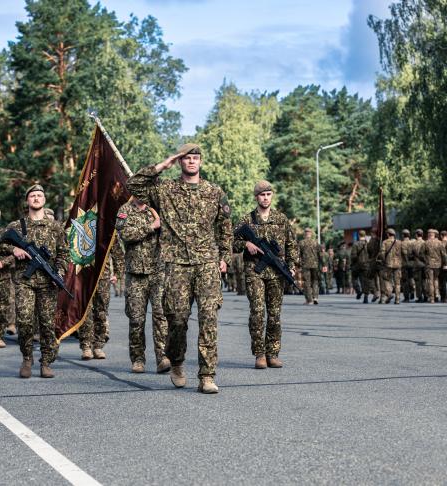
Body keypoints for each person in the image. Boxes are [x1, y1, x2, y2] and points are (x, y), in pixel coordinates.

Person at [127, 143, 232, 394]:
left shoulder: (214, 191)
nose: (192, 162)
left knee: (209, 318)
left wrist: (224, 256)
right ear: (181, 162)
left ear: (201, 162)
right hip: (175, 265)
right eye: (186, 158)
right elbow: (134, 186)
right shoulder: (165, 189)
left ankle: (207, 375)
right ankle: (176, 360)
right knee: (177, 320)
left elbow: (225, 227)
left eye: (195, 158)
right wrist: (163, 164)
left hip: (206, 263)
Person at [0, 185, 67, 378]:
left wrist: (59, 272)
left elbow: (63, 252)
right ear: (27, 200)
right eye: (33, 196)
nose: (36, 198)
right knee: (25, 321)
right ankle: (27, 358)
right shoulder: (16, 226)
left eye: (39, 195)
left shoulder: (55, 226)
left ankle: (46, 362)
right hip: (24, 281)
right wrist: (14, 250)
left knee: (46, 324)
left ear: (44, 200)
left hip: (48, 282)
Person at [234, 181, 298, 369]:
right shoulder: (247, 219)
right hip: (255, 271)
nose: (265, 198)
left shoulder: (281, 219)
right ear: (256, 197)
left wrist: (292, 266)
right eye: (262, 195)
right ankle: (259, 354)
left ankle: (273, 353)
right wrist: (246, 245)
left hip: (276, 272)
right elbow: (230, 239)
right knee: (257, 312)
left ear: (272, 196)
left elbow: (292, 245)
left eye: (268, 194)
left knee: (274, 314)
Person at [116, 198, 169, 373]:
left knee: (161, 317)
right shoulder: (125, 210)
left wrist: (163, 226)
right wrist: (151, 227)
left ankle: (163, 357)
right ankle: (138, 359)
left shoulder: (158, 208)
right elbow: (125, 234)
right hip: (135, 273)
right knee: (136, 319)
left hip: (158, 271)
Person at [78, 239, 123, 360]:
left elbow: (117, 252)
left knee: (101, 310)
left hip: (103, 275)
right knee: (85, 311)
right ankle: (86, 346)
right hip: (84, 274)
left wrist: (118, 273)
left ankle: (98, 345)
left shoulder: (107, 227)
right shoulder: (84, 223)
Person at [422, 229, 447, 303]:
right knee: (436, 280)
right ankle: (436, 295)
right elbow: (444, 255)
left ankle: (432, 298)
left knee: (430, 281)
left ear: (429, 235)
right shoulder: (439, 243)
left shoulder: (426, 243)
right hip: (438, 265)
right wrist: (445, 263)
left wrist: (425, 260)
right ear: (434, 235)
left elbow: (421, 254)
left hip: (429, 264)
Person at [378, 228, 402, 304]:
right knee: (397, 283)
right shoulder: (399, 242)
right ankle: (397, 299)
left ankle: (390, 293)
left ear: (388, 234)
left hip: (388, 264)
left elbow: (382, 253)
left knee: (386, 279)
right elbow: (404, 252)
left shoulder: (385, 242)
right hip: (398, 264)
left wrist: (383, 260)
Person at [299, 228, 320, 305]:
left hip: (305, 265)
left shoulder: (301, 243)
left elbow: (298, 254)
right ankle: (315, 297)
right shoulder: (315, 243)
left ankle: (309, 300)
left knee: (307, 282)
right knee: (315, 281)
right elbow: (320, 254)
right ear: (311, 234)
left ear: (304, 234)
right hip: (315, 265)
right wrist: (324, 265)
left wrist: (297, 264)